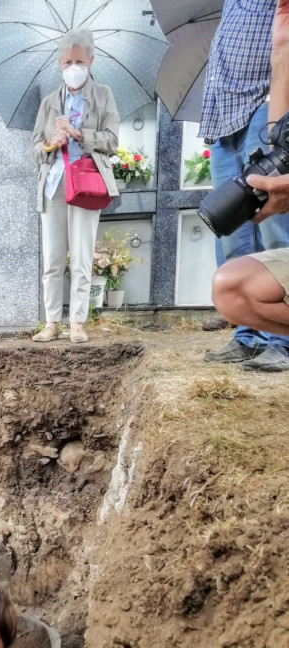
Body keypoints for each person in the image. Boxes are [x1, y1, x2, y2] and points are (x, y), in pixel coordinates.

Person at [201, 0, 289, 372]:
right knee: (230, 232)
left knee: (275, 228)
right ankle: (247, 335)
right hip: (223, 119)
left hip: (265, 106)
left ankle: (282, 341)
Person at [31, 28, 119, 345]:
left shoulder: (103, 95)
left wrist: (80, 134)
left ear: (91, 60)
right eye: (68, 62)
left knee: (81, 257)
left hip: (86, 183)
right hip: (54, 184)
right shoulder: (49, 102)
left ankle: (78, 323)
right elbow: (36, 148)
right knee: (52, 259)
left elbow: (112, 140)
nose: (73, 67)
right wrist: (51, 142)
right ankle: (52, 322)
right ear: (60, 63)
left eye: (79, 61)